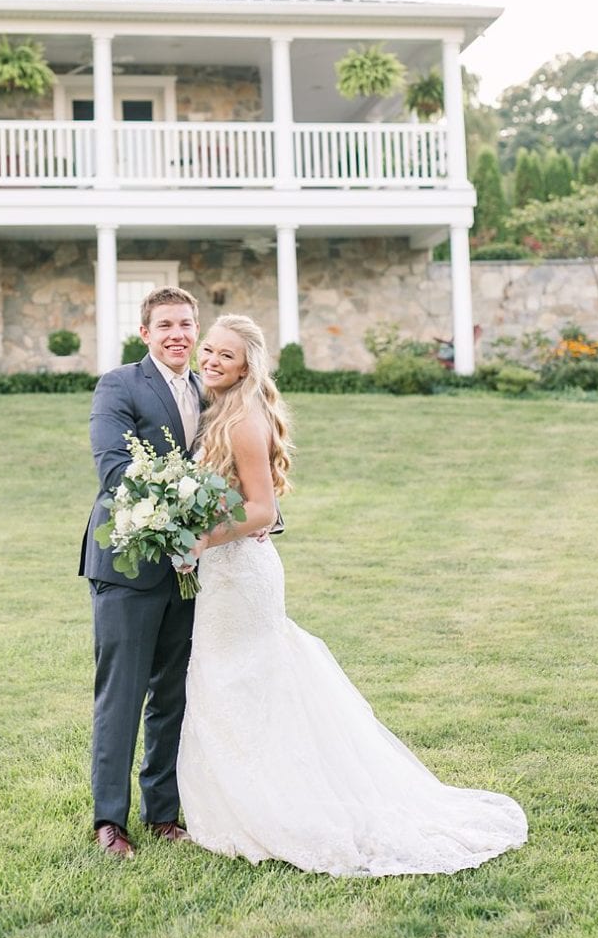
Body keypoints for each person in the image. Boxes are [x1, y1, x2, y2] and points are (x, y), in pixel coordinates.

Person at [173, 314, 528, 876]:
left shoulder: (242, 419)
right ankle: (246, 798)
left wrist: (200, 541)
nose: (211, 361)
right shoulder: (221, 409)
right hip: (230, 572)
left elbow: (262, 510)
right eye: (209, 350)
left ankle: (272, 806)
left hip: (239, 574)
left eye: (226, 357)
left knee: (236, 681)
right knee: (236, 681)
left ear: (246, 368)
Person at [80, 287, 206, 860]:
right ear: (145, 333)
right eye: (165, 325)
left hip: (191, 568)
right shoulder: (120, 385)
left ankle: (163, 814)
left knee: (173, 696)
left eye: (185, 323)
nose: (177, 334)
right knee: (122, 696)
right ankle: (111, 821)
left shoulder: (209, 389)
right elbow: (114, 469)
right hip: (129, 565)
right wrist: (181, 509)